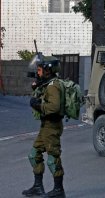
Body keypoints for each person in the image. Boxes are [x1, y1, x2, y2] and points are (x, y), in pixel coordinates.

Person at [22, 58, 66, 198]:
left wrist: (37, 105)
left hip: (52, 126)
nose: (38, 72)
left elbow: (54, 107)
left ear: (48, 71)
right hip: (46, 126)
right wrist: (37, 88)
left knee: (53, 157)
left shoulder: (53, 86)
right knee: (34, 155)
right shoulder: (48, 84)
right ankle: (38, 187)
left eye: (40, 70)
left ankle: (59, 190)